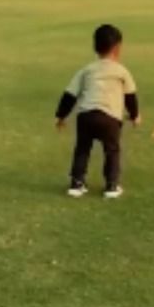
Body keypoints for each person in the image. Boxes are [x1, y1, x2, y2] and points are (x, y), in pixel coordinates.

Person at [54, 24, 140, 199]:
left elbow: (70, 94)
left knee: (82, 149)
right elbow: (130, 96)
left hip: (86, 116)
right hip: (110, 118)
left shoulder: (87, 70)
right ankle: (111, 185)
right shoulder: (121, 71)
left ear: (95, 47)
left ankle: (76, 184)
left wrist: (61, 116)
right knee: (112, 150)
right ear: (117, 48)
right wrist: (134, 115)